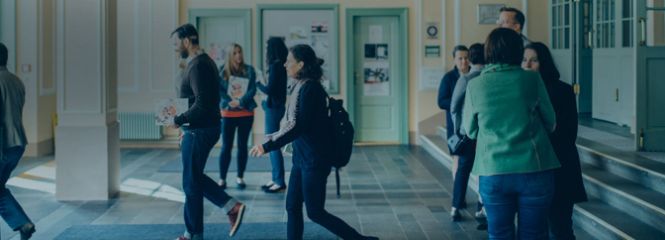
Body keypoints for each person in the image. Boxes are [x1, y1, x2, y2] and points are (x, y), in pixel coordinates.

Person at [250, 44, 378, 240]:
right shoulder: (300, 86)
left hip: (315, 160)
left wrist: (267, 146)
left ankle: (359, 239)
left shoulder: (310, 89)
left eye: (289, 61)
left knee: (315, 212)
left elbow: (297, 126)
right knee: (292, 205)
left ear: (300, 64)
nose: (285, 65)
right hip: (302, 158)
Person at [462, 28, 560, 239]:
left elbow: (469, 131)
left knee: (499, 234)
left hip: (493, 170)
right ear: (518, 51)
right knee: (534, 234)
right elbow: (551, 123)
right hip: (535, 168)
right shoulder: (532, 79)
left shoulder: (475, 85)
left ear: (489, 52)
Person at [170, 24, 245, 240]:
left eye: (176, 44)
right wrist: (183, 124)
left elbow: (202, 104)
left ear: (186, 41)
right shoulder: (199, 63)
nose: (175, 48)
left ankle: (196, 232)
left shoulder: (198, 65)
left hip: (199, 131)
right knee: (192, 179)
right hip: (196, 129)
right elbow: (196, 100)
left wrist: (180, 120)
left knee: (190, 183)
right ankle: (227, 208)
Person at [523, 42, 588, 239]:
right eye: (524, 60)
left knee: (560, 227)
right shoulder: (519, 90)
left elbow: (568, 133)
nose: (527, 65)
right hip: (534, 168)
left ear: (544, 63)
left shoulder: (562, 90)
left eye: (533, 60)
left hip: (560, 166)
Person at [0, 43, 36, 240]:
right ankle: (23, 223)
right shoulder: (16, 80)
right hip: (17, 143)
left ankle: (23, 223)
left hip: (2, 145)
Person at [448, 43, 485, 222]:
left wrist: (457, 129)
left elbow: (454, 107)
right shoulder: (489, 76)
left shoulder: (466, 79)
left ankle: (456, 207)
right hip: (486, 133)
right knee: (484, 170)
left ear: (470, 59)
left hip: (467, 132)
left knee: (463, 170)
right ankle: (482, 208)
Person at [218, 43, 257, 190]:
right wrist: (230, 101)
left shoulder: (249, 70)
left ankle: (240, 177)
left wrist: (240, 101)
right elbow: (218, 90)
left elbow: (253, 89)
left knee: (242, 147)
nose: (238, 55)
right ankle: (222, 179)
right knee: (226, 147)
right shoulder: (222, 71)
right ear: (230, 55)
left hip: (246, 113)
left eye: (239, 52)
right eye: (234, 53)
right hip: (228, 114)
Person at [257, 37, 289, 193]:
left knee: (272, 143)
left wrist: (257, 83)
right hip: (276, 107)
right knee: (273, 141)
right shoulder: (280, 65)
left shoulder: (276, 66)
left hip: (274, 109)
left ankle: (279, 181)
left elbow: (269, 90)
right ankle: (276, 178)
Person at [437, 45, 470, 181]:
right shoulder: (448, 78)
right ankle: (458, 195)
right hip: (455, 127)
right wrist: (459, 102)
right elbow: (441, 101)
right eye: (460, 58)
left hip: (471, 126)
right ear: (454, 60)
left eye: (466, 58)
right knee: (456, 157)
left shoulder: (474, 74)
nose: (464, 61)